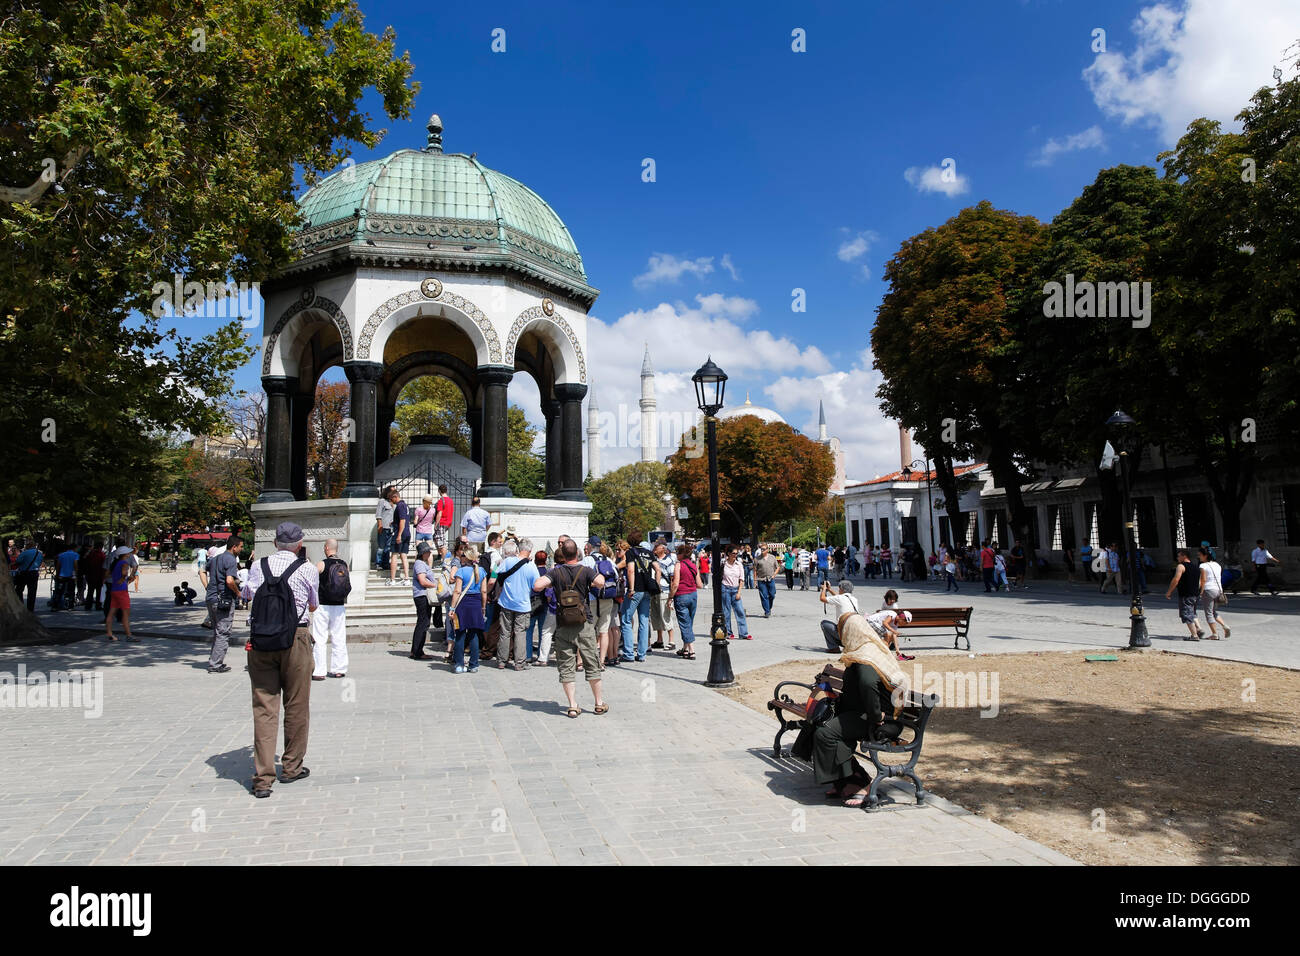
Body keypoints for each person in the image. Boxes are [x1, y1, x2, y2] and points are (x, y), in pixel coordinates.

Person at [241, 521, 319, 799]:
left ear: (274, 543)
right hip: (295, 639)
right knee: (296, 704)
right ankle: (291, 766)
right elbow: (313, 604)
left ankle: (262, 778)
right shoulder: (306, 568)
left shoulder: (257, 567)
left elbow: (246, 594)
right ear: (299, 544)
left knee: (264, 707)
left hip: (261, 640)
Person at [813, 614, 910, 807]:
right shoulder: (864, 649)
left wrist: (876, 716)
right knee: (815, 727)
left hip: (880, 721)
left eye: (842, 631)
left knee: (825, 734)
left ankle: (861, 783)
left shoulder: (865, 655)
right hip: (865, 714)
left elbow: (867, 683)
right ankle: (843, 782)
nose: (841, 636)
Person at [532, 538, 608, 718]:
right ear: (578, 554)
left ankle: (573, 705)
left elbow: (537, 585)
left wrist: (552, 583)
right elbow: (601, 582)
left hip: (563, 623)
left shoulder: (556, 572)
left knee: (566, 665)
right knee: (591, 662)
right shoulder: (586, 570)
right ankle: (598, 703)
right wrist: (589, 582)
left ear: (563, 555)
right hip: (584, 623)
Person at [492, 538, 539, 671]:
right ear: (530, 551)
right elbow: (536, 586)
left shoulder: (508, 561)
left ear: (518, 549)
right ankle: (519, 663)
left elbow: (496, 574)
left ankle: (501, 661)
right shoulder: (531, 566)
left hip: (506, 602)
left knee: (505, 632)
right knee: (520, 632)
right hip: (523, 604)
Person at [312, 538, 350, 679]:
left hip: (322, 605)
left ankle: (319, 671)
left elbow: (312, 580)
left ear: (327, 548)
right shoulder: (344, 564)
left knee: (320, 638)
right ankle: (338, 669)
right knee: (339, 637)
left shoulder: (322, 564)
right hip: (339, 606)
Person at [205, 537, 243, 673]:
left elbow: (202, 571)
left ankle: (213, 660)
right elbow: (229, 580)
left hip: (211, 597)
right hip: (224, 600)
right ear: (234, 547)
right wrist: (238, 593)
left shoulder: (215, 558)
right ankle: (215, 664)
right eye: (241, 547)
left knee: (217, 631)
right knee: (223, 632)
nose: (241, 549)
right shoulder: (231, 559)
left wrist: (207, 586)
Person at [449, 546, 487, 673]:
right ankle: (474, 664)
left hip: (463, 604)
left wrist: (452, 607)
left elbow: (457, 591)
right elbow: (484, 591)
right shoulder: (481, 571)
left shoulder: (461, 571)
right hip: (476, 603)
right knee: (474, 634)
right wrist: (483, 607)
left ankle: (459, 664)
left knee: (460, 634)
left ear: (466, 558)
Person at [620, 532, 654, 661]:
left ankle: (628, 653)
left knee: (626, 619)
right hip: (647, 590)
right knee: (644, 621)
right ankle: (642, 654)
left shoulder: (630, 552)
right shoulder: (648, 553)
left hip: (636, 589)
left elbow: (630, 570)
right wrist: (655, 585)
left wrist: (632, 588)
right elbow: (658, 568)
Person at [1164, 548, 1205, 641]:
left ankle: (1194, 635)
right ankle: (1198, 629)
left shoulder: (1181, 566)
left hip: (1186, 595)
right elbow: (1200, 581)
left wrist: (1169, 592)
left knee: (1187, 614)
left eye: (1179, 556)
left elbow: (1176, 580)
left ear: (1184, 556)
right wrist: (1200, 592)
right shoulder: (1196, 567)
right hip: (1195, 594)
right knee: (1192, 612)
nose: (1177, 558)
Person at [670, 543, 700, 659]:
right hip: (693, 595)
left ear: (682, 554)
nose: (677, 555)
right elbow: (700, 584)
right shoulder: (693, 566)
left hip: (681, 595)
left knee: (684, 624)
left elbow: (676, 583)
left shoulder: (679, 565)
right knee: (689, 623)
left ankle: (692, 650)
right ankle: (685, 649)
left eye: (678, 552)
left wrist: (670, 598)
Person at [409, 541, 437, 661]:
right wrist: (435, 586)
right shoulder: (420, 564)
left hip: (421, 595)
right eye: (428, 551)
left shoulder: (421, 563)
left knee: (423, 622)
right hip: (422, 596)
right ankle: (417, 651)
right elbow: (422, 581)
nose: (430, 553)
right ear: (423, 553)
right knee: (423, 623)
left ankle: (416, 650)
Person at [1197, 545, 1231, 640]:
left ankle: (1215, 634)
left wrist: (1201, 591)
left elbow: (1203, 580)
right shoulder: (1217, 565)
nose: (1199, 557)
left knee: (1208, 613)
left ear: (1205, 556)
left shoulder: (1203, 566)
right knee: (1213, 611)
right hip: (1218, 590)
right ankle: (1224, 626)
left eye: (1200, 555)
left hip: (1208, 590)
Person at [649, 540, 677, 650]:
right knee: (656, 616)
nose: (655, 548)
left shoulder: (669, 560)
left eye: (657, 547)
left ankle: (671, 640)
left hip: (664, 591)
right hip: (654, 591)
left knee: (665, 615)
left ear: (663, 548)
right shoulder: (653, 559)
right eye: (654, 546)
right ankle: (659, 639)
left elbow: (672, 577)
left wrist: (671, 596)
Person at [105, 544, 136, 641]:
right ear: (124, 554)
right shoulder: (124, 563)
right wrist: (124, 579)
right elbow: (124, 573)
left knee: (111, 613)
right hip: (122, 590)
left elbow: (107, 574)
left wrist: (118, 579)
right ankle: (129, 635)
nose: (129, 554)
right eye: (128, 552)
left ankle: (110, 633)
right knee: (125, 613)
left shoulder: (115, 563)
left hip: (114, 589)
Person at [720, 545, 751, 641]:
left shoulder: (739, 564)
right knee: (726, 612)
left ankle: (743, 633)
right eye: (733, 553)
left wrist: (739, 592)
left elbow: (741, 579)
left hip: (735, 589)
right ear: (728, 554)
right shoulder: (723, 564)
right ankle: (728, 633)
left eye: (736, 553)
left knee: (740, 611)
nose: (735, 555)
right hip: (725, 589)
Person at [819, 580, 860, 652]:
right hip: (854, 635)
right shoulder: (854, 599)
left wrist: (824, 589)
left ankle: (833, 647)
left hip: (843, 634)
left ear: (841, 589)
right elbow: (838, 597)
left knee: (824, 623)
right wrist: (830, 590)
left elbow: (822, 599)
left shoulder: (840, 598)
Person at [388, 489, 411, 586]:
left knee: (394, 555)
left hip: (400, 533)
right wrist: (394, 522)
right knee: (404, 555)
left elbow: (402, 521)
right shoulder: (405, 505)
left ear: (395, 497)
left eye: (391, 499)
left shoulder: (400, 506)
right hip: (407, 533)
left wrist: (399, 535)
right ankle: (406, 578)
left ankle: (392, 579)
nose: (390, 501)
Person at [375, 486, 395, 573]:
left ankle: (386, 563)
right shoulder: (382, 501)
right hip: (383, 527)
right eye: (392, 491)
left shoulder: (393, 503)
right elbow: (378, 514)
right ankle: (378, 563)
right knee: (381, 547)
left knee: (388, 547)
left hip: (391, 528)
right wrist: (379, 525)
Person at [754, 546, 779, 618]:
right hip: (761, 579)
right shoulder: (757, 558)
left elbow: (777, 567)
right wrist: (755, 581)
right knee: (764, 596)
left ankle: (769, 607)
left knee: (772, 594)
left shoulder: (772, 557)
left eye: (764, 549)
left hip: (770, 579)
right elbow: (755, 570)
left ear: (767, 550)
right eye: (761, 549)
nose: (762, 550)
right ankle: (767, 611)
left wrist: (774, 575)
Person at [432, 484, 455, 557]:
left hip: (442, 522)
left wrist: (436, 524)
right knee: (435, 537)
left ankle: (444, 561)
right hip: (448, 522)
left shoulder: (441, 500)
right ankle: (440, 554)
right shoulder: (450, 500)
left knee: (442, 543)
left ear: (439, 491)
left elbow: (439, 513)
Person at [83, 540, 105, 611]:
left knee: (90, 591)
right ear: (101, 547)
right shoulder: (102, 555)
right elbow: (104, 566)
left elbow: (86, 562)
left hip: (90, 575)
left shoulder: (90, 554)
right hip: (99, 576)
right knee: (98, 592)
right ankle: (98, 606)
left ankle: (88, 606)